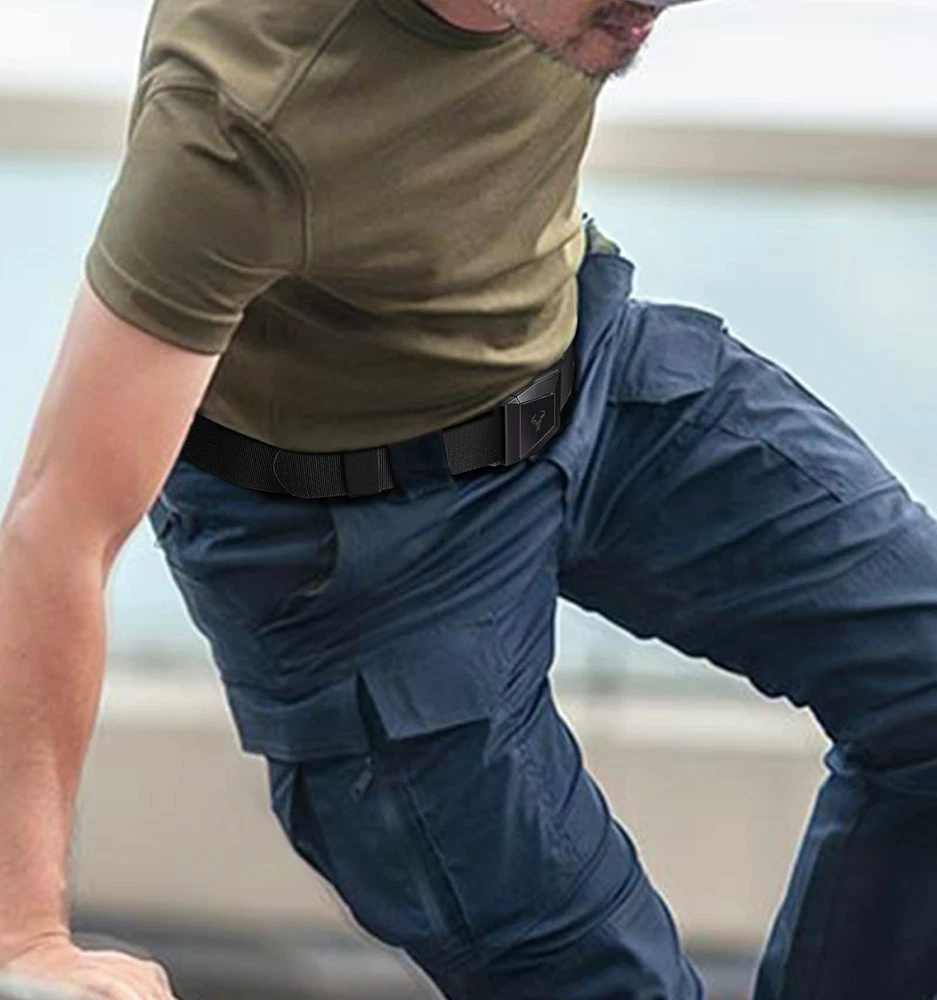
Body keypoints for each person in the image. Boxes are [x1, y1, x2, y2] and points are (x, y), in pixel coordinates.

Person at [1, 0, 935, 996]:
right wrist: (25, 936)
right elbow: (59, 525)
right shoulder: (243, 111)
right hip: (363, 547)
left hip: (586, 371)